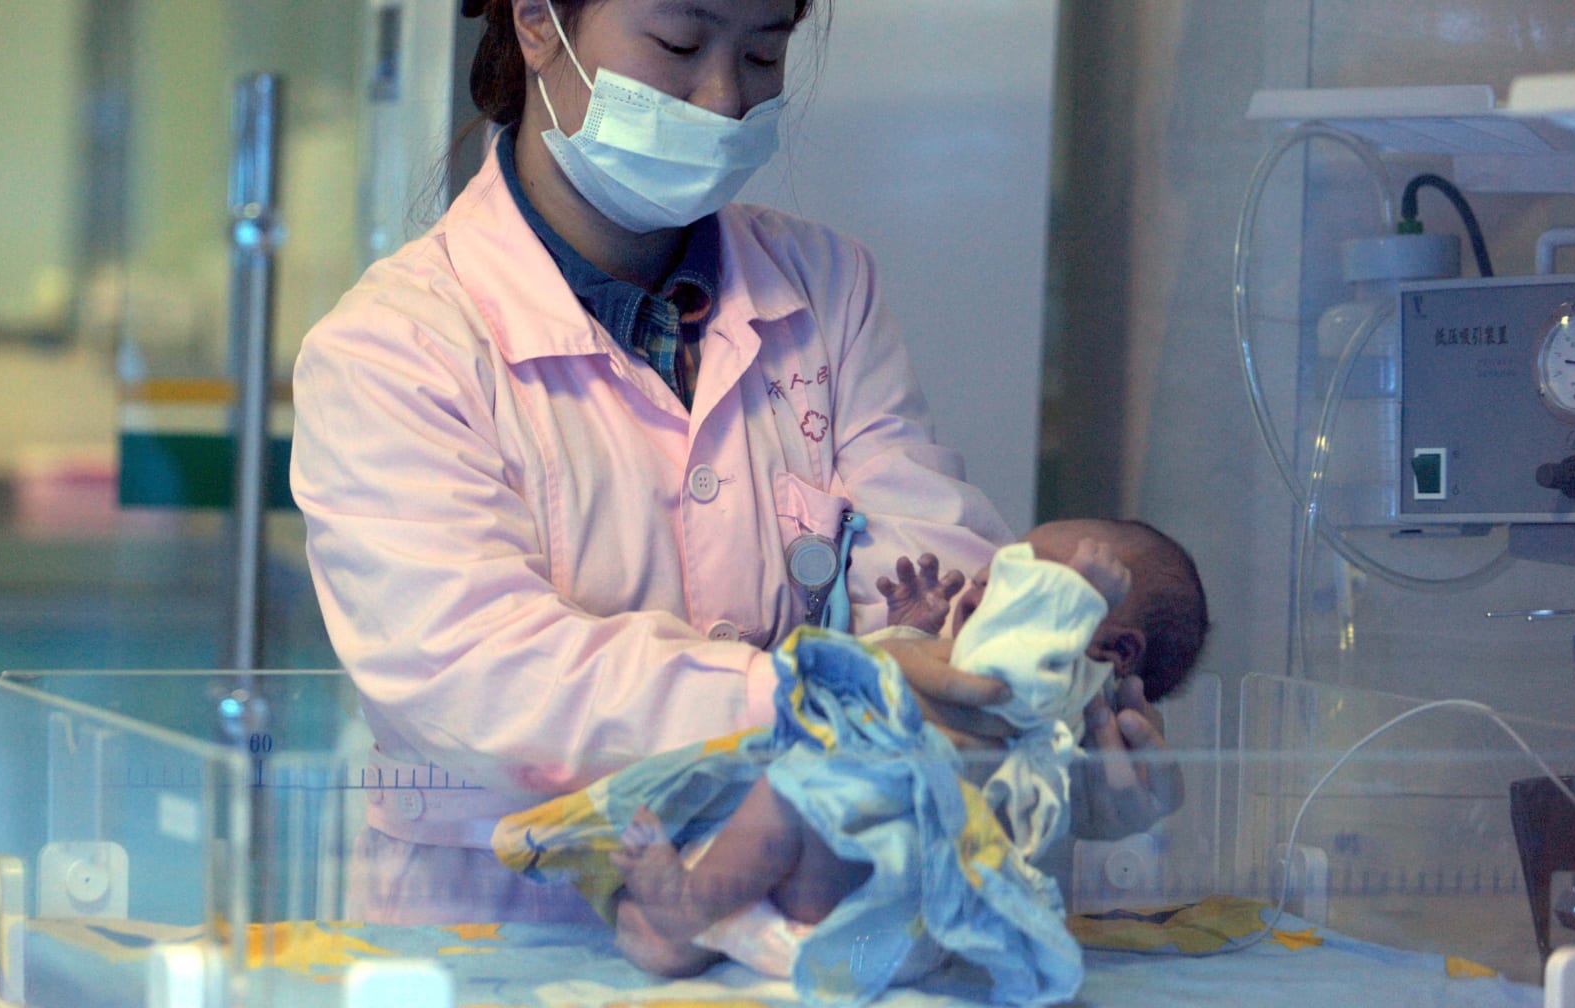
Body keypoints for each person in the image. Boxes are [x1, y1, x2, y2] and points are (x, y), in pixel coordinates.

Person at [289, 0, 1176, 924]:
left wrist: (1040, 725)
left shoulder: (827, 290)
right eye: (679, 43)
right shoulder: (394, 348)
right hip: (505, 931)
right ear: (538, 21)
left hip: (805, 930)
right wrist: (802, 696)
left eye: (762, 54)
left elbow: (937, 581)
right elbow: (481, 679)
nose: (722, 98)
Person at [493, 519, 1209, 1004]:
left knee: (795, 793)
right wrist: (911, 631)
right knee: (708, 887)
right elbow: (913, 685)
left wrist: (1072, 603)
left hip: (876, 882)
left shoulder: (1058, 687)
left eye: (1027, 582)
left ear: (1112, 647)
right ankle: (692, 933)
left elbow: (997, 681)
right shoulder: (1024, 679)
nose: (988, 577)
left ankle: (689, 904)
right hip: (863, 896)